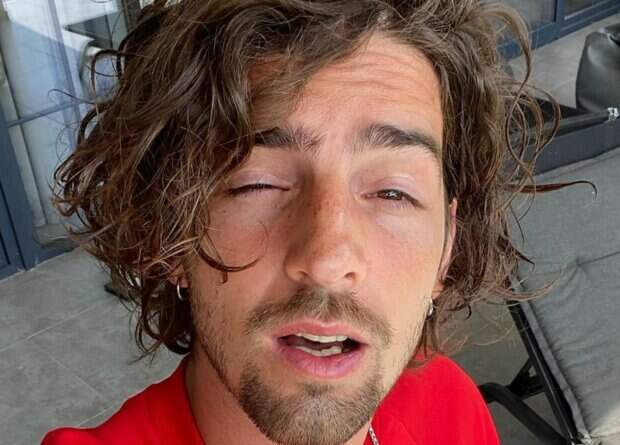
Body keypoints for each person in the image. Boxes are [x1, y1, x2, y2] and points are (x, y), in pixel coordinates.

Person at [42, 0, 554, 444]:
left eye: (393, 192)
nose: (328, 259)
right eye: (258, 184)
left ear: (446, 249)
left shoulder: (448, 405)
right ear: (173, 231)